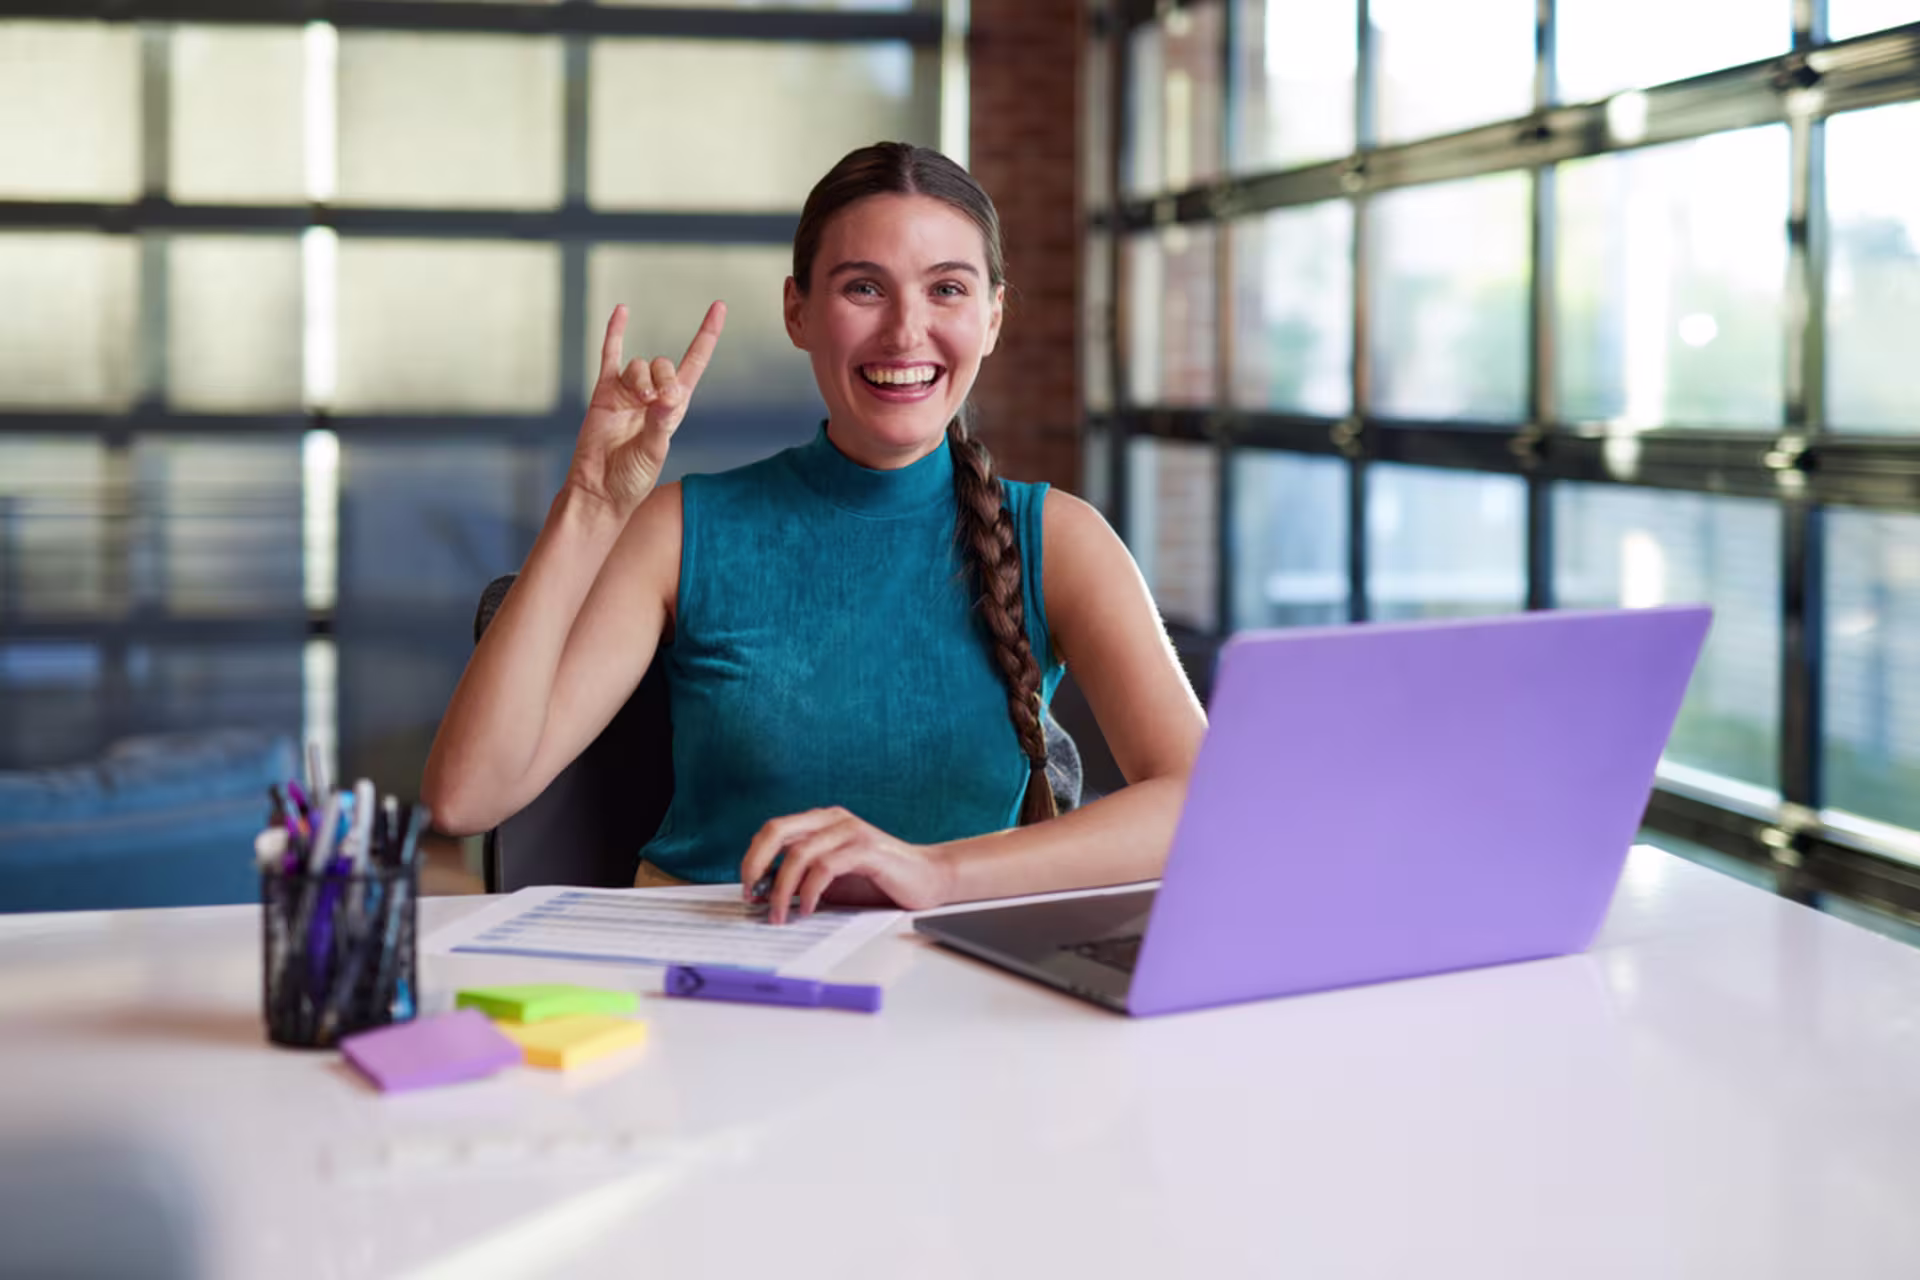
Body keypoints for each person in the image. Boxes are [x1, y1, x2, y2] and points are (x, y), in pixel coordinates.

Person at [421, 142, 1206, 924]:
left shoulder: (1058, 540)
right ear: (798, 311)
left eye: (947, 290)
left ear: (992, 318)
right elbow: (467, 795)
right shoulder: (684, 530)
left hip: (953, 991)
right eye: (864, 287)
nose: (906, 331)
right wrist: (590, 504)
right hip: (704, 981)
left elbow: (1202, 800)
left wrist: (933, 873)